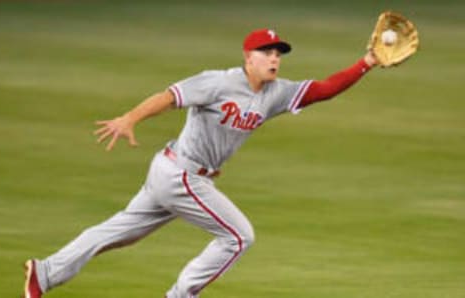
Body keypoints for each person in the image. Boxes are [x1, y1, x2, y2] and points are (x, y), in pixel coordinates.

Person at [23, 28, 377, 298]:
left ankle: (45, 273)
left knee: (120, 233)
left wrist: (368, 63)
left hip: (176, 173)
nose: (274, 58)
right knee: (239, 237)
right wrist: (130, 118)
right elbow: (170, 96)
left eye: (278, 53)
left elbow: (326, 88)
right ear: (247, 57)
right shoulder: (218, 82)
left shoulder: (277, 93)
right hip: (181, 174)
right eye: (266, 52)